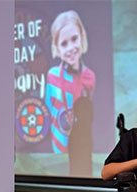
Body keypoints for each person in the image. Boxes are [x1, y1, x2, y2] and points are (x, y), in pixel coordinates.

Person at [45, 10, 95, 154]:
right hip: (59, 146)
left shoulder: (89, 76)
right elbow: (49, 108)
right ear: (57, 49)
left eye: (74, 39)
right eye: (64, 43)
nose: (71, 48)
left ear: (82, 37)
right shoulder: (52, 76)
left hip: (83, 145)